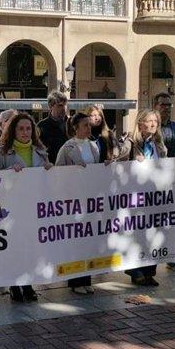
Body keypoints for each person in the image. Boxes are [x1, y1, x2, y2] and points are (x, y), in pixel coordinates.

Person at [0, 113, 52, 302]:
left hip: (34, 207)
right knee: (15, 248)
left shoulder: (41, 151)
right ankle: (15, 285)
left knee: (30, 247)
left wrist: (50, 171)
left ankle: (28, 283)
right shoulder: (2, 153)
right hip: (11, 209)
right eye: (21, 128)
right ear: (13, 130)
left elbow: (49, 183)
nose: (25, 132)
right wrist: (8, 174)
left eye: (29, 128)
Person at [55, 112, 100, 294]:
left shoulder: (94, 146)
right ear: (75, 128)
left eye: (89, 125)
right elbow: (58, 172)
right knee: (75, 241)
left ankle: (86, 278)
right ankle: (75, 281)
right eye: (85, 125)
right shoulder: (67, 147)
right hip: (73, 200)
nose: (89, 128)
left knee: (87, 241)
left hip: (89, 199)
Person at [124, 109, 168, 287]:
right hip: (136, 198)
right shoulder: (130, 143)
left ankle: (149, 272)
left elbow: (167, 166)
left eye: (155, 122)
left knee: (153, 235)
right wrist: (133, 162)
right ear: (140, 123)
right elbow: (118, 163)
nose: (152, 124)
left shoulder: (159, 145)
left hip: (155, 197)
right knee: (137, 235)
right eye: (149, 121)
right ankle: (136, 271)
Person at [152, 93, 175, 274]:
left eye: (169, 105)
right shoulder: (150, 128)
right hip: (154, 184)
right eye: (163, 104)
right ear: (155, 106)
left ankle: (172, 258)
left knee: (172, 222)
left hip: (174, 183)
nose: (167, 107)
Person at [37, 91, 69, 163]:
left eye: (65, 105)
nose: (64, 108)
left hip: (70, 166)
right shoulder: (42, 126)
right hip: (51, 166)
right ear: (51, 106)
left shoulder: (72, 123)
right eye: (60, 105)